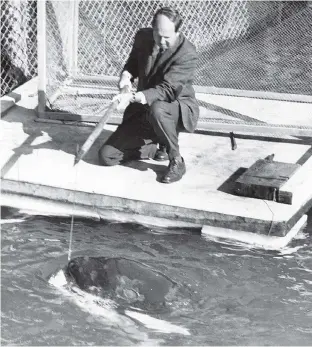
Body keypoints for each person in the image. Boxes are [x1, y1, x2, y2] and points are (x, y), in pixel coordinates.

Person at [99, 7, 199, 183]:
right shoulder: (143, 37)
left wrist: (131, 97)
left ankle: (176, 159)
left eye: (167, 37)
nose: (161, 41)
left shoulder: (187, 53)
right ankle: (157, 145)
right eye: (157, 35)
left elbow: (166, 90)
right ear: (152, 29)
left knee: (158, 108)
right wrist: (126, 78)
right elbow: (133, 63)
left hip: (176, 107)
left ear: (178, 32)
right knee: (107, 156)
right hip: (145, 108)